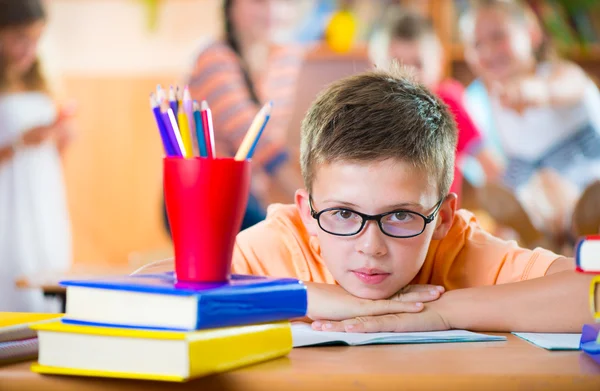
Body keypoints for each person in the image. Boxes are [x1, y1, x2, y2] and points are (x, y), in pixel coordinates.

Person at [228, 67, 593, 333]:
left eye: (400, 215)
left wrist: (444, 310)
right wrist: (302, 297)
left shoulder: (460, 251)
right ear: (307, 211)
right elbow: (172, 287)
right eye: (342, 213)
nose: (371, 247)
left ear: (444, 217)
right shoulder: (281, 243)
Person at [460, 0, 600, 247]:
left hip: (588, 198)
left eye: (498, 36)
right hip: (539, 221)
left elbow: (572, 85)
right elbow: (490, 172)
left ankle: (577, 229)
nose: (489, 51)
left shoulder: (559, 74)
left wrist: (536, 91)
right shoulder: (476, 105)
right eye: (477, 44)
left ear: (532, 34)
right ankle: (536, 236)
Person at [182, 0, 305, 231]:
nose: (273, 10)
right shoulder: (214, 58)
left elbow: (273, 140)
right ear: (231, 6)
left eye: (286, 2)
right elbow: (257, 142)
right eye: (259, 2)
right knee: (276, 240)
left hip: (247, 192)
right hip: (202, 191)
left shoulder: (287, 58)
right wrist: (311, 204)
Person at [368, 8, 502, 202]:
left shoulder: (448, 102)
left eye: (418, 64)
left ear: (439, 61)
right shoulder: (368, 108)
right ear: (375, 63)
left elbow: (489, 165)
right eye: (395, 63)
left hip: (440, 221)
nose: (408, 75)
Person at [0, 0, 73, 312]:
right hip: (9, 202)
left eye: (36, 39)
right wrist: (19, 143)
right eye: (20, 38)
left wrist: (60, 135)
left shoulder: (40, 78)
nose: (29, 49)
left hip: (41, 195)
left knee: (50, 264)